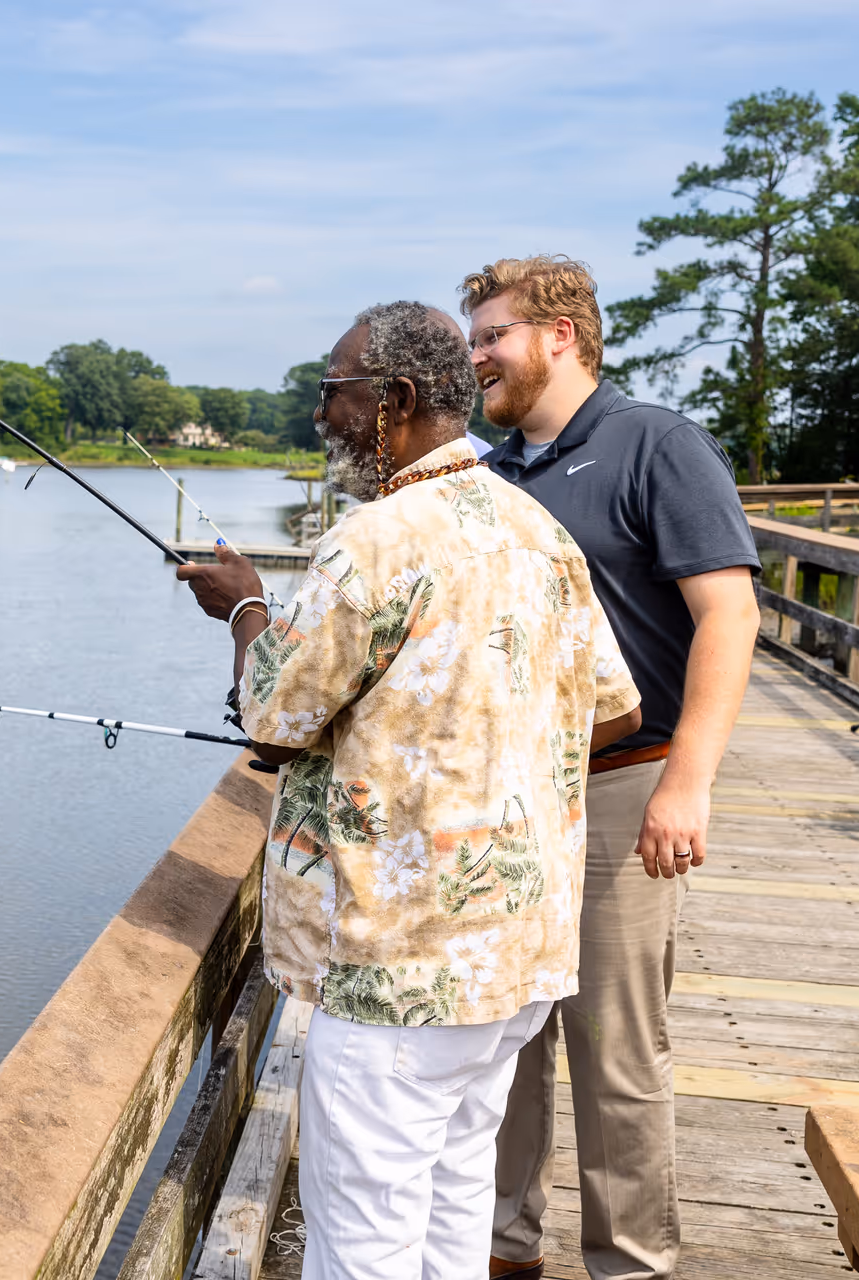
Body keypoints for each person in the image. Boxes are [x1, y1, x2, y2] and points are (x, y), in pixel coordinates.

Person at [178, 301, 642, 1279]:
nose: (320, 415)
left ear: (391, 400)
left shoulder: (375, 539)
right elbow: (614, 710)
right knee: (450, 1210)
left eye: (332, 392)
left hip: (397, 966)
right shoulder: (536, 527)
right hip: (513, 955)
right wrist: (465, 740)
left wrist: (246, 605)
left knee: (365, 1243)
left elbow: (271, 712)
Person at [460, 256, 763, 1280]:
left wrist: (688, 781)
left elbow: (730, 612)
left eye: (492, 334)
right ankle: (504, 1248)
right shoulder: (493, 470)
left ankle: (630, 1261)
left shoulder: (657, 444)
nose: (477, 356)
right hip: (509, 799)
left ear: (561, 335)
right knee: (504, 1039)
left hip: (628, 779)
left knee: (615, 1052)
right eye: (472, 338)